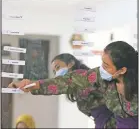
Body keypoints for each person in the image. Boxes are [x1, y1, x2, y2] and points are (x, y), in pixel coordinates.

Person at [9, 41, 138, 128]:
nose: (101, 68)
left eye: (106, 66)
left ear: (122, 70)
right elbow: (69, 81)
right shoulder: (100, 77)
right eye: (102, 63)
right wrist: (34, 85)